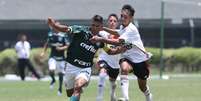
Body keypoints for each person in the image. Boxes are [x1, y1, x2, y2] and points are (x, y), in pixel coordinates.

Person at [47, 15, 126, 101]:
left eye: (97, 26)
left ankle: (81, 86)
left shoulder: (100, 39)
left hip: (85, 68)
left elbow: (110, 51)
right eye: (93, 25)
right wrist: (54, 25)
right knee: (70, 93)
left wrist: (122, 49)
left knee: (78, 86)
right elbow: (66, 29)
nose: (94, 28)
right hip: (71, 66)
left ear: (101, 27)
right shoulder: (81, 30)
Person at [90, 4, 153, 101]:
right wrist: (103, 28)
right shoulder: (123, 27)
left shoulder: (131, 29)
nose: (122, 18)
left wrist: (100, 39)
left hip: (139, 60)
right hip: (127, 58)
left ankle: (148, 96)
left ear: (131, 18)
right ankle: (126, 98)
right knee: (124, 68)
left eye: (125, 17)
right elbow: (118, 32)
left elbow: (118, 41)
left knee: (142, 87)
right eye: (121, 16)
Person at [40, 22, 70, 96]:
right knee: (51, 70)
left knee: (60, 74)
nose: (56, 27)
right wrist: (43, 52)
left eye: (57, 26)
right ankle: (53, 80)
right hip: (53, 57)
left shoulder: (63, 36)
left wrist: (61, 48)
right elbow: (47, 44)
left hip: (61, 58)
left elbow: (67, 45)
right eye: (55, 26)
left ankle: (60, 89)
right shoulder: (51, 35)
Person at [96, 13, 120, 101]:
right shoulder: (102, 33)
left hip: (115, 64)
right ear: (107, 22)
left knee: (113, 83)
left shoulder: (121, 33)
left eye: (114, 21)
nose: (112, 22)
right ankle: (99, 98)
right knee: (102, 74)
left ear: (117, 23)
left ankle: (112, 95)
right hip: (104, 59)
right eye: (110, 20)